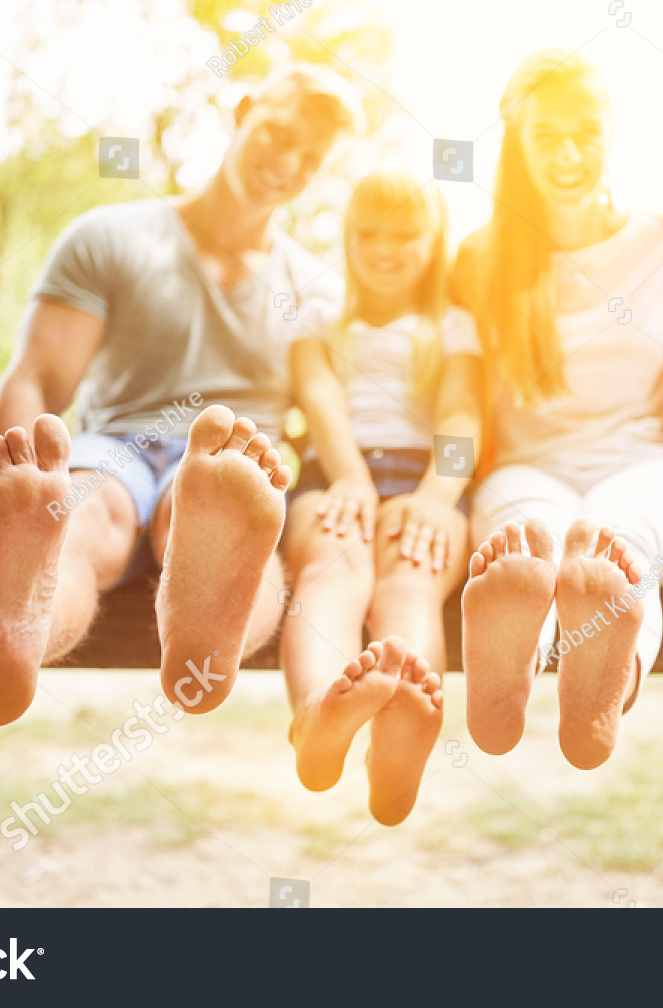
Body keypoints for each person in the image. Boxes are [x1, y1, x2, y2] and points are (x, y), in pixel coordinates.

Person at [0, 65, 364, 727]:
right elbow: (37, 378)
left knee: (220, 519)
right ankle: (15, 630)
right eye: (280, 133)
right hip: (117, 449)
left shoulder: (312, 287)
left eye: (311, 159)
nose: (288, 162)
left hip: (232, 467)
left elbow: (325, 401)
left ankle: (207, 610)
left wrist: (354, 478)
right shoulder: (112, 238)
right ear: (243, 110)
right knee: (82, 517)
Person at [453, 50, 663, 771]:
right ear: (518, 144)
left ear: (612, 130)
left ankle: (603, 690)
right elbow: (454, 396)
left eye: (585, 131)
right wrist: (436, 488)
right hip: (527, 467)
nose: (568, 154)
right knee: (529, 541)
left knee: (619, 547)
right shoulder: (479, 259)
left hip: (646, 462)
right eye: (546, 137)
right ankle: (512, 667)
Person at [281, 169, 480, 824]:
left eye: (405, 233)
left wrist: (436, 496)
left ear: (435, 240)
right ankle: (317, 711)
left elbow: (461, 418)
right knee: (332, 565)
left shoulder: (452, 326)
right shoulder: (320, 315)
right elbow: (320, 398)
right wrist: (349, 478)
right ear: (347, 238)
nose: (385, 248)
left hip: (423, 479)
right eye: (368, 233)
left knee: (410, 579)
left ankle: (401, 729)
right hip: (336, 472)